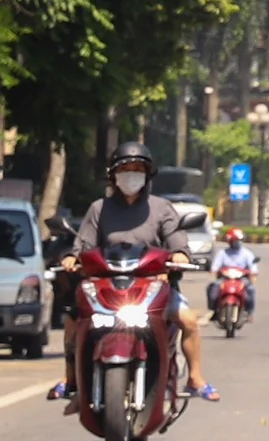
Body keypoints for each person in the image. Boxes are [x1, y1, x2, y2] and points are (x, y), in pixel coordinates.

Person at [49, 143, 217, 404]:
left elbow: (177, 241)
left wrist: (180, 255)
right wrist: (72, 258)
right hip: (106, 290)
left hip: (155, 289)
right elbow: (83, 245)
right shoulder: (98, 209)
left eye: (138, 169)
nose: (131, 174)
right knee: (74, 320)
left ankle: (195, 378)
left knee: (189, 320)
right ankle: (70, 377)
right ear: (113, 175)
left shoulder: (162, 209)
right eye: (125, 169)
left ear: (148, 174)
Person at [209, 228, 259, 320]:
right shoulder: (222, 253)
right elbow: (215, 266)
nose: (237, 243)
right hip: (225, 278)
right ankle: (214, 310)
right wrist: (214, 271)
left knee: (251, 289)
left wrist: (253, 273)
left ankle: (250, 312)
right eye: (234, 240)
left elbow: (253, 266)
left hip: (241, 279)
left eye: (238, 241)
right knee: (213, 288)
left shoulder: (247, 253)